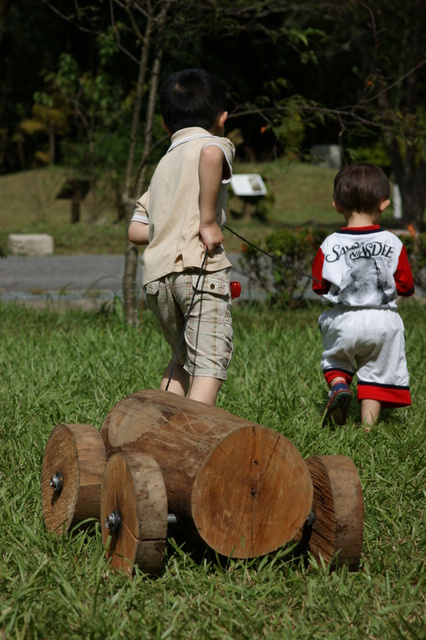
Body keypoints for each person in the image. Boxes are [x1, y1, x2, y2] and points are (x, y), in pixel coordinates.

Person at [128, 68, 235, 406]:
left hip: (158, 280)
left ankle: (157, 432)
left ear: (165, 125)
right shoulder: (214, 143)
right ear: (222, 118)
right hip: (198, 271)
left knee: (181, 361)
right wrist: (206, 220)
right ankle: (193, 445)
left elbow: (135, 229)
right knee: (208, 365)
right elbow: (211, 155)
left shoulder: (163, 164)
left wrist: (168, 228)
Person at [312, 163, 414, 427]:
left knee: (336, 360)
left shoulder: (330, 243)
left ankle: (338, 386)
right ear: (384, 204)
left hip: (344, 319)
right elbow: (406, 285)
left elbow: (318, 285)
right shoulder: (393, 242)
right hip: (383, 322)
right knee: (377, 372)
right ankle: (367, 429)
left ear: (336, 205)